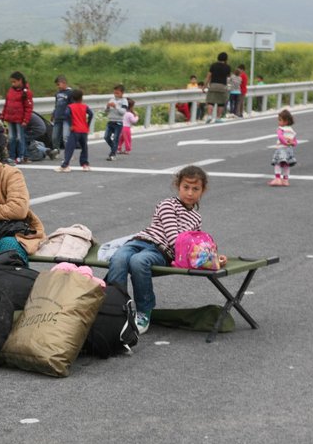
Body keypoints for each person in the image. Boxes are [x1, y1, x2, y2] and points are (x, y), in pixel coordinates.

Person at [105, 165, 226, 334]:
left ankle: (143, 311)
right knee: (119, 258)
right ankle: (115, 309)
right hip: (140, 241)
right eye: (186, 187)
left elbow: (195, 245)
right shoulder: (168, 204)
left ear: (202, 191)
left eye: (195, 189)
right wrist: (198, 253)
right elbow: (173, 237)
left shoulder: (196, 218)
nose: (190, 193)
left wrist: (213, 258)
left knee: (138, 261)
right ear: (178, 186)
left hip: (161, 251)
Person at [55, 88, 93, 173]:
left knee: (69, 147)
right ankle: (85, 164)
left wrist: (71, 124)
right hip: (84, 130)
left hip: (75, 129)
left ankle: (65, 165)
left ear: (72, 98)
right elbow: (91, 114)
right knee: (84, 147)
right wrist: (88, 124)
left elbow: (66, 114)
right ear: (81, 98)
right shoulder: (85, 106)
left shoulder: (70, 107)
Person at [0, 71, 33, 164]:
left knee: (20, 137)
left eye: (14, 82)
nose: (13, 84)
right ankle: (12, 156)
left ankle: (21, 156)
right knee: (11, 137)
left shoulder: (26, 92)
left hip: (20, 119)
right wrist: (3, 115)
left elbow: (28, 108)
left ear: (20, 81)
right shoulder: (11, 91)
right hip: (10, 118)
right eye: (12, 82)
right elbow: (6, 104)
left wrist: (25, 120)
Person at [269, 109, 297, 187]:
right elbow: (295, 142)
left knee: (277, 163)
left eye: (280, 120)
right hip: (289, 150)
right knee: (286, 165)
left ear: (286, 121)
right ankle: (285, 180)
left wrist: (284, 142)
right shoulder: (291, 130)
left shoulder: (280, 129)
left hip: (281, 149)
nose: (278, 122)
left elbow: (280, 137)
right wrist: (292, 143)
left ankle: (277, 178)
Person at [203, 52, 232, 123]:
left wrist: (204, 86)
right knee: (221, 103)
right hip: (222, 86)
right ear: (226, 59)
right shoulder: (227, 67)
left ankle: (209, 116)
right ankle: (218, 118)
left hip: (213, 85)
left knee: (210, 102)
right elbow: (229, 77)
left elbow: (208, 76)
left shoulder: (213, 65)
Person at [104, 84, 128, 161]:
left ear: (122, 93)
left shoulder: (124, 101)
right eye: (114, 93)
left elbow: (123, 112)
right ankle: (114, 148)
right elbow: (106, 111)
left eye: (117, 93)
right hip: (110, 121)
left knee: (116, 139)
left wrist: (116, 106)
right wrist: (107, 107)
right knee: (106, 137)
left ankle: (113, 154)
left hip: (118, 122)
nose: (116, 95)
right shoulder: (111, 99)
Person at [51, 74, 73, 150]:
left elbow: (72, 106)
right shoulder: (57, 94)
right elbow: (56, 105)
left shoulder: (70, 93)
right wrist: (53, 113)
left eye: (58, 84)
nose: (58, 86)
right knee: (54, 137)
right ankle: (56, 151)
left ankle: (68, 153)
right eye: (57, 85)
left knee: (65, 137)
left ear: (64, 82)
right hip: (58, 117)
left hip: (66, 118)